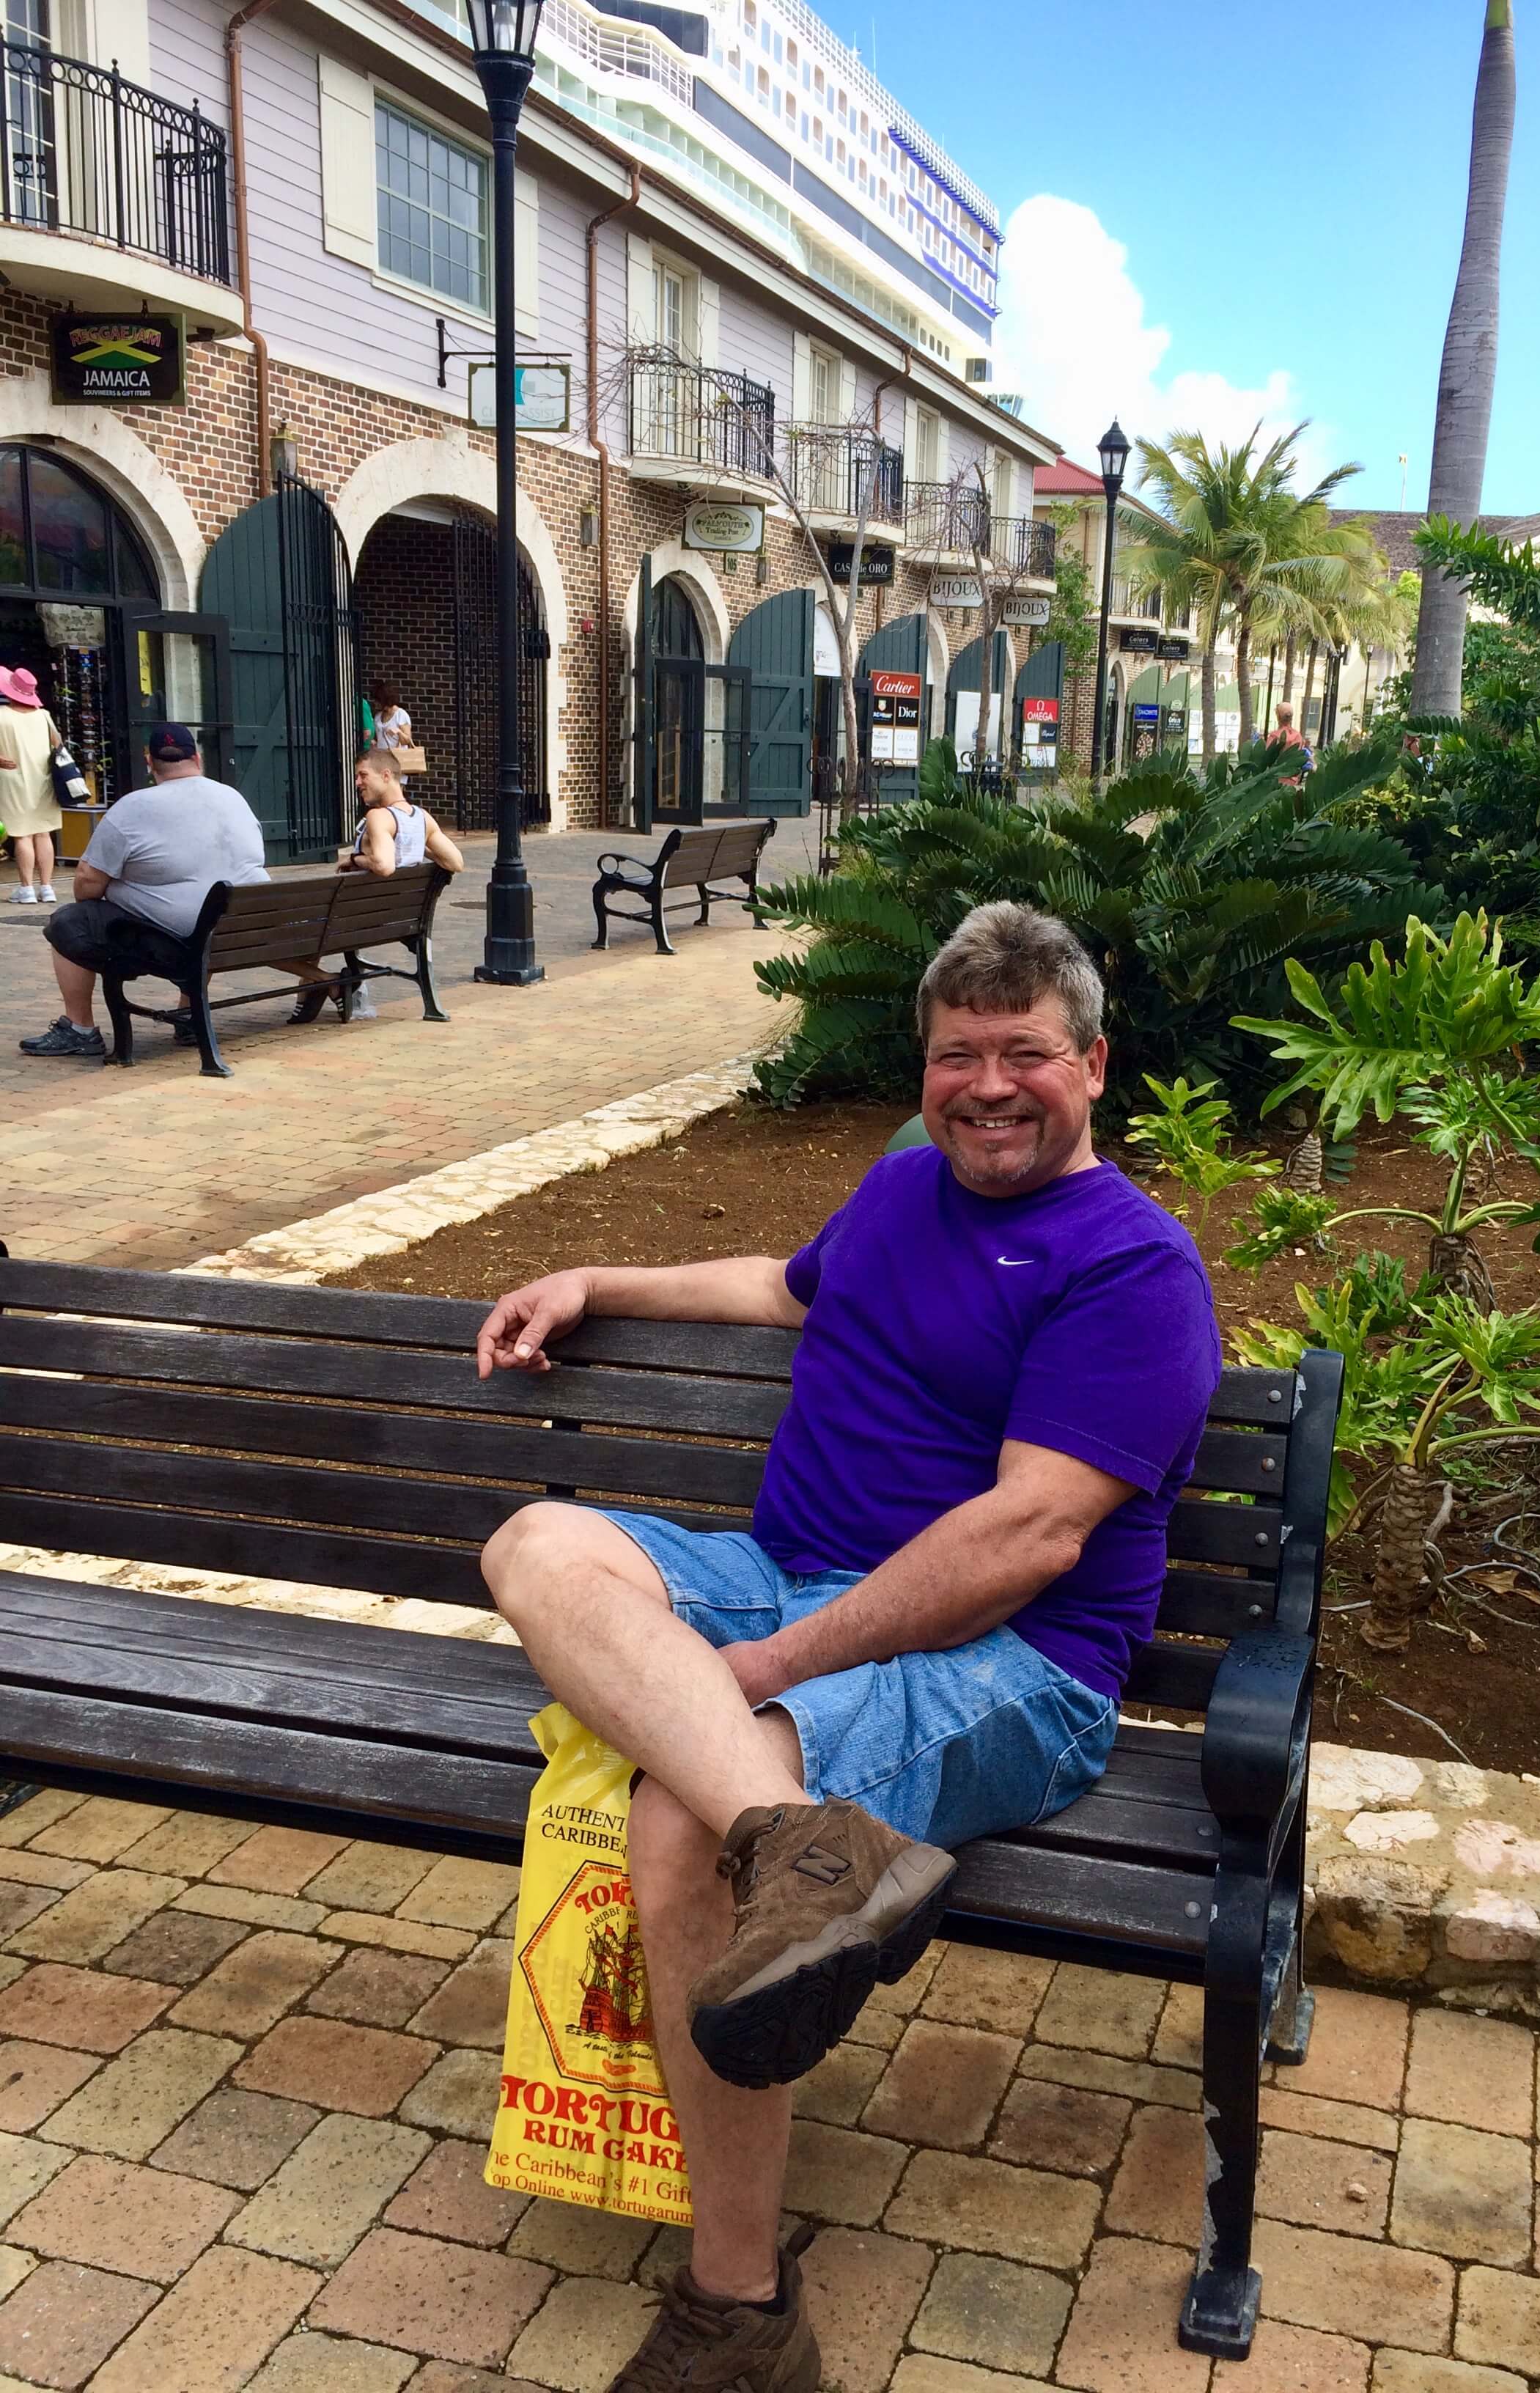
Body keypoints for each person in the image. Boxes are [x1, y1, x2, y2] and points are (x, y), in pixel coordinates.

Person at [476, 901, 1220, 2393]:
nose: (989, 1086)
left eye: (1026, 1055)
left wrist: (757, 1677)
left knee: (675, 1818)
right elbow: (779, 1286)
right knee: (534, 1544)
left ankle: (738, 2314)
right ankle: (806, 1844)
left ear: (1093, 1066)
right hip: (782, 1574)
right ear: (926, 1064)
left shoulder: (1133, 1269)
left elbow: (1027, 1540)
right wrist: (595, 1282)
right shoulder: (901, 1189)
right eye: (959, 1055)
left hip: (1018, 1665)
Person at [19, 724, 266, 1059]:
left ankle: (79, 1028)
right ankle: (189, 1013)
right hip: (246, 930)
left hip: (178, 943)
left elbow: (87, 885)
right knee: (202, 901)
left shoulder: (134, 807)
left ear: (149, 762)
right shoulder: (233, 797)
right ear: (197, 758)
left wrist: (122, 889)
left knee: (70, 921)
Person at [289, 750, 463, 1024]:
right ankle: (314, 993)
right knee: (319, 922)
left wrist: (356, 858)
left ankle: (316, 988)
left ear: (386, 776)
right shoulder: (423, 819)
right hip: (398, 920)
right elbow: (455, 861)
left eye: (363, 775)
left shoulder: (378, 816)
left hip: (356, 922)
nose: (357, 782)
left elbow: (383, 866)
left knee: (303, 927)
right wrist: (419, 845)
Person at [0, 665, 66, 907]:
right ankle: (47, 887)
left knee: (22, 836)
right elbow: (58, 745)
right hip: (44, 780)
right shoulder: (44, 715)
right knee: (43, 833)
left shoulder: (2, 716)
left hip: (13, 780)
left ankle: (26, 888)